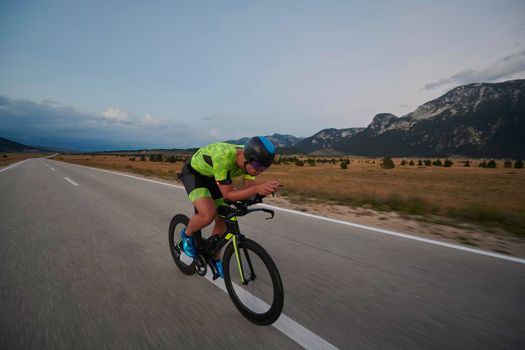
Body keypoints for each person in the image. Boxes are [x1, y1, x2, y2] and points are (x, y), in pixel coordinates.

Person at [178, 136, 280, 278]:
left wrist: (262, 193)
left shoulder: (250, 165)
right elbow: (229, 195)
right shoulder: (224, 157)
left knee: (225, 216)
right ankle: (187, 235)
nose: (260, 171)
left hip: (214, 176)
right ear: (247, 158)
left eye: (264, 168)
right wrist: (257, 189)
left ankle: (214, 257)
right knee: (208, 213)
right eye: (258, 166)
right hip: (194, 173)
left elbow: (247, 193)